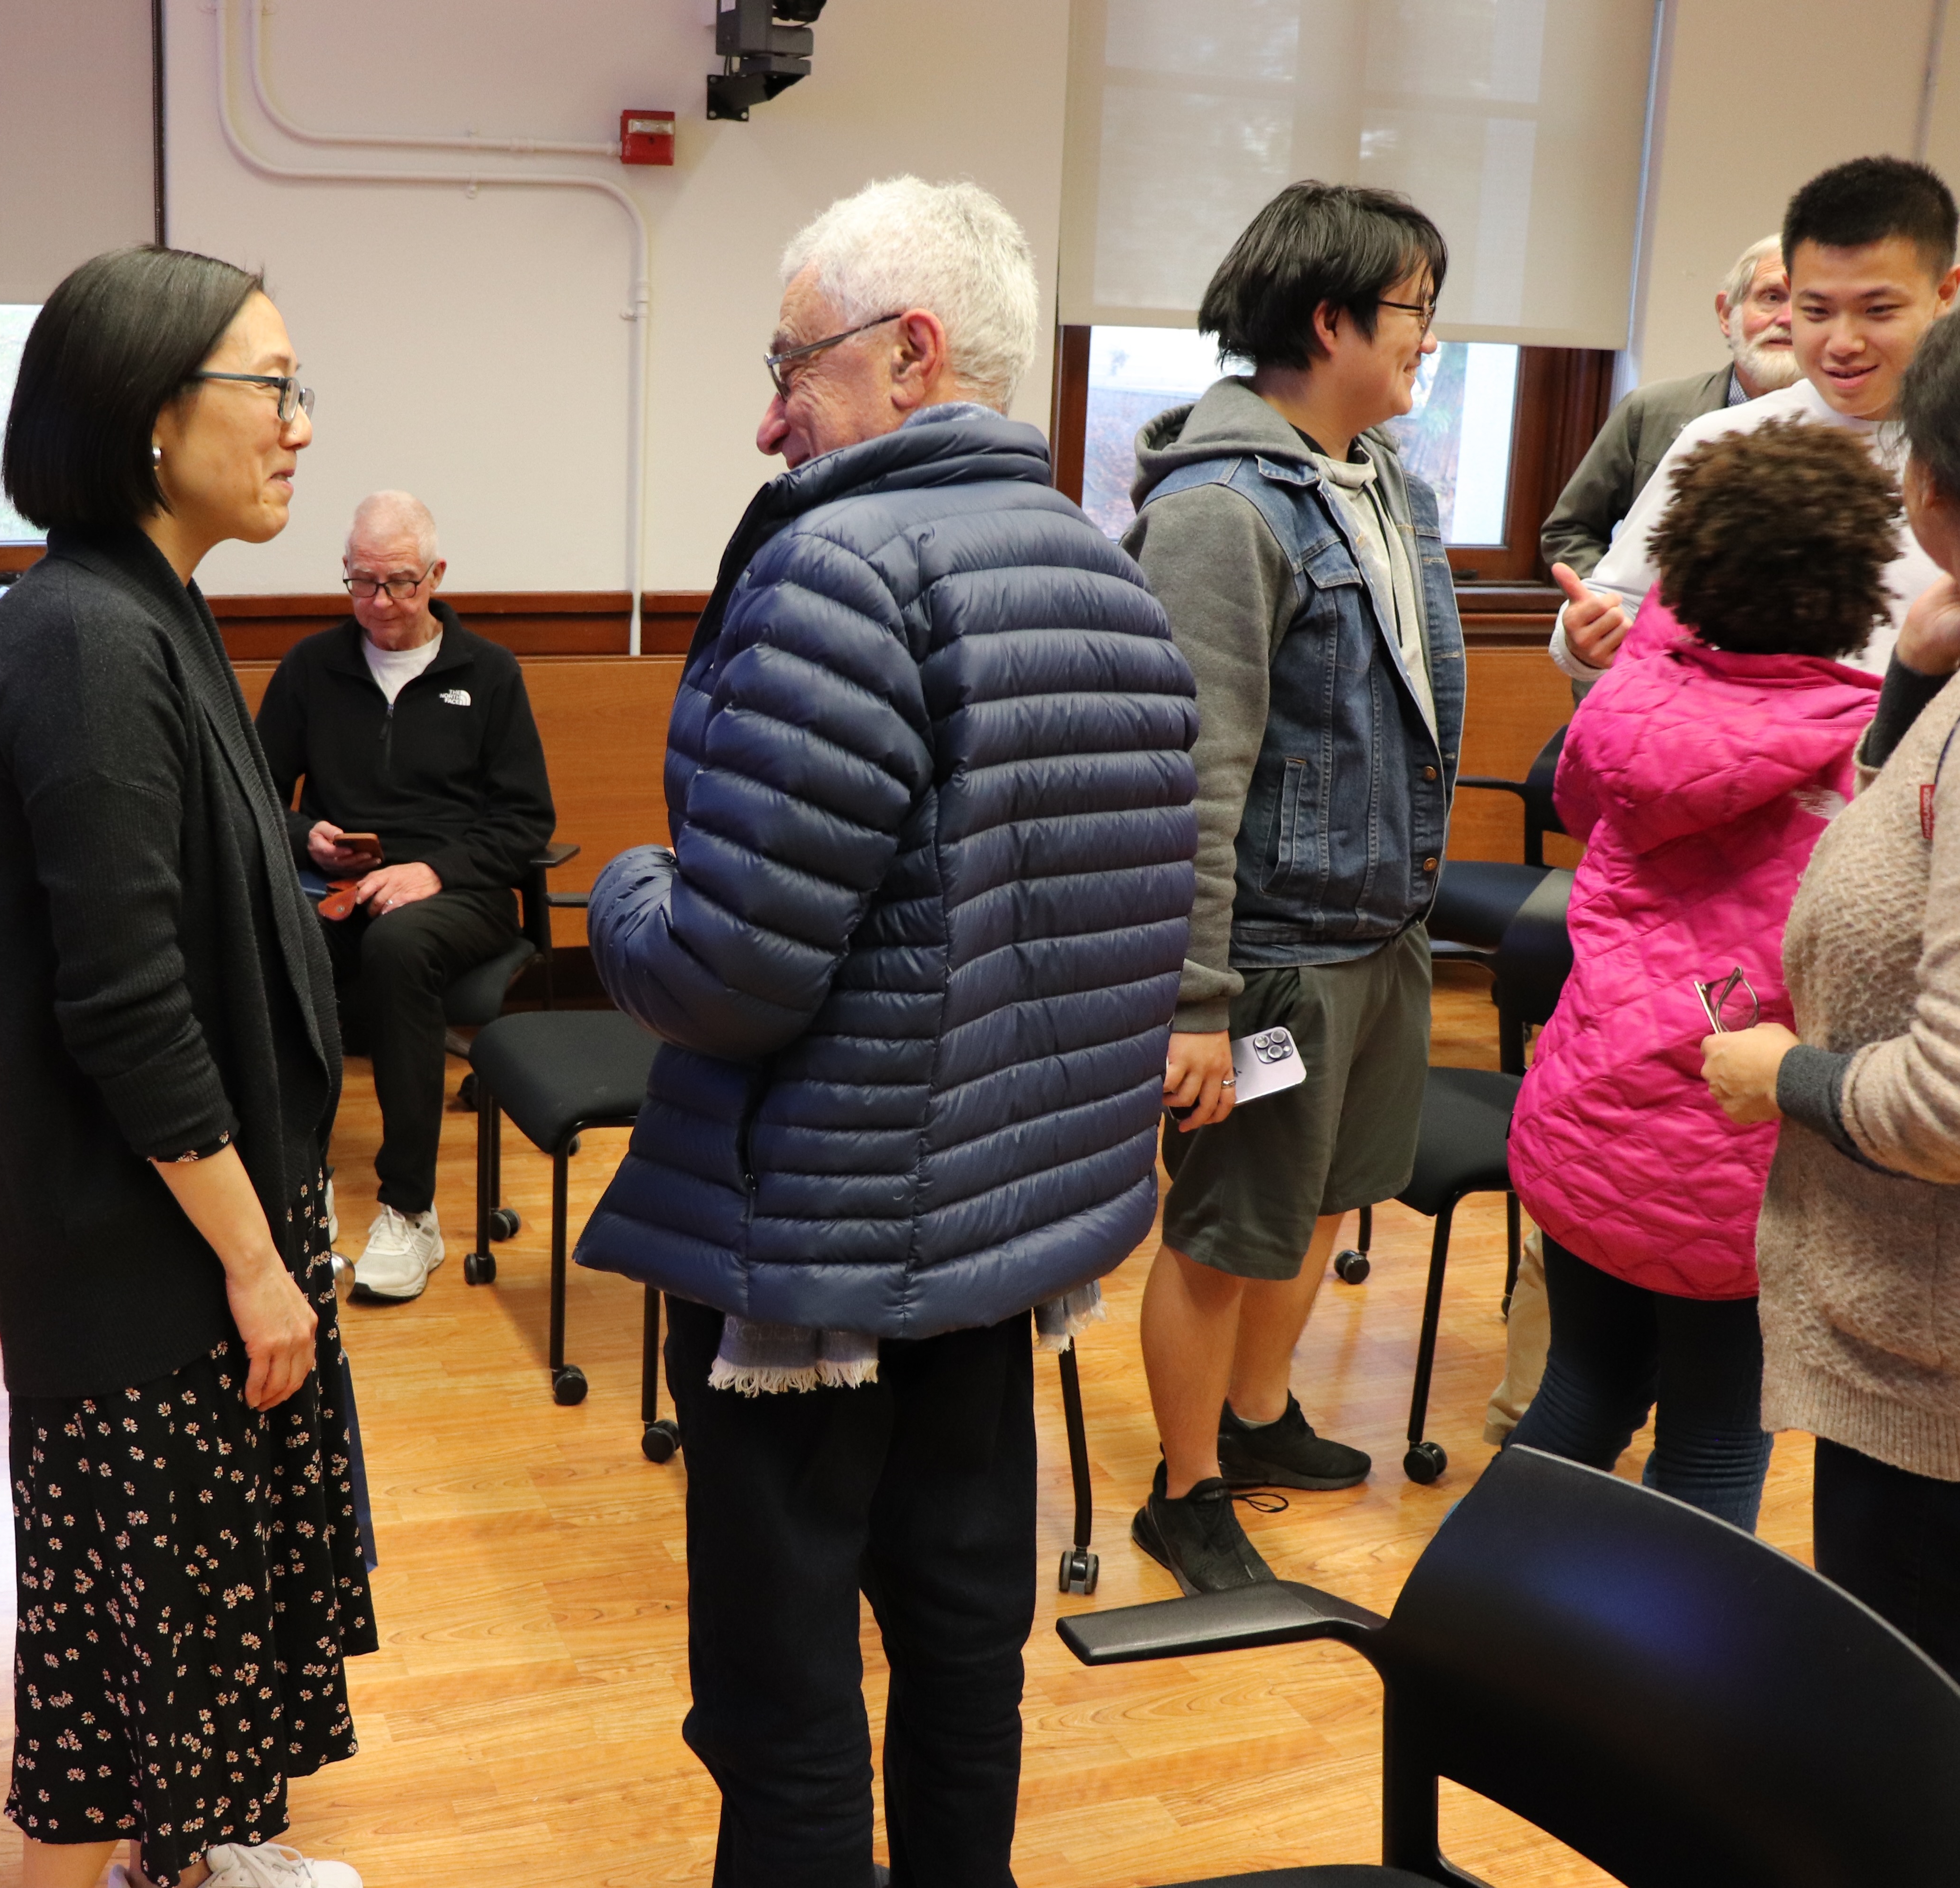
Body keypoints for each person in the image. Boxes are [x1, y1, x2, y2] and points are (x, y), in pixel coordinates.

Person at [573, 176, 1198, 1886]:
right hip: (994, 1243)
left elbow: (728, 971)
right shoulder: (1104, 572)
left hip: (816, 1255)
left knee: (779, 1707)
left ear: (909, 354)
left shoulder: (841, 571)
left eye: (793, 362)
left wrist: (625, 888)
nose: (767, 409)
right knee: (957, 1651)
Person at [0, 246, 373, 1888]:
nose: (297, 426)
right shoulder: (80, 639)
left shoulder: (156, 608)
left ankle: (192, 1858)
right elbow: (123, 1003)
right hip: (143, 1252)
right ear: (145, 416)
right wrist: (260, 1263)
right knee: (147, 1627)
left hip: (196, 1229)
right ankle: (149, 1861)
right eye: (270, 387)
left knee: (210, 1599)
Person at [1122, 181, 1464, 1593]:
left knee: (1329, 1192)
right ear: (1325, 322)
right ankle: (1184, 1482)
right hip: (1269, 959)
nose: (1427, 345)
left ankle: (1260, 1419)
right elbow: (1196, 774)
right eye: (1411, 315)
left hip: (1378, 934)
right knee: (1224, 1225)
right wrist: (1194, 1001)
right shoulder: (1217, 511)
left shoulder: (1384, 479)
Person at [1504, 419, 1890, 1530]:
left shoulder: (1625, 705)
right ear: (1858, 589)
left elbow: (1576, 803)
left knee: (1578, 1393)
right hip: (1734, 1168)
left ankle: (1491, 1634)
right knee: (1716, 1445)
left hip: (1584, 1125)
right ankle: (1661, 1699)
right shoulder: (1856, 748)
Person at [1703, 310, 1960, 1680]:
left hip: (1934, 1377)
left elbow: (1949, 1097)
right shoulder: (1937, 672)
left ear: (1924, 488)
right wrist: (1913, 679)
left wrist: (1777, 1078)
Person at [256, 491, 555, 1302]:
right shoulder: (312, 668)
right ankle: (295, 1185)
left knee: (399, 946)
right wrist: (304, 832)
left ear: (436, 576)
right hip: (341, 883)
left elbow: (527, 821)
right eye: (362, 584)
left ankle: (409, 1208)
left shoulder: (488, 674)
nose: (380, 604)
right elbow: (253, 795)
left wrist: (432, 873)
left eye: (399, 582)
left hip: (461, 890)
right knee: (282, 940)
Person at [1554, 156, 1960, 684]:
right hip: (1745, 753)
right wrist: (1583, 639)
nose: (1842, 343)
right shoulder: (1722, 440)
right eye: (1815, 312)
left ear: (1943, 294)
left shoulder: (1944, 446)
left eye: (1877, 311)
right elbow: (1619, 604)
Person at [1541, 233, 1798, 581]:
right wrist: (1611, 605)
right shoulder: (1650, 413)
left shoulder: (1861, 427)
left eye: (1810, 305)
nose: (1789, 319)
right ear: (1727, 314)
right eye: (1771, 297)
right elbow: (1570, 531)